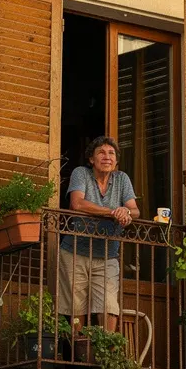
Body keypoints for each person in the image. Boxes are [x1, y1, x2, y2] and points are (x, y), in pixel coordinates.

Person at [58, 136, 140, 334]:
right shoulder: (81, 174)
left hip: (107, 254)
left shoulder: (122, 179)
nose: (107, 157)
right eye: (101, 153)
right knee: (76, 306)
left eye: (111, 153)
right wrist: (114, 212)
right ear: (91, 159)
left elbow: (135, 211)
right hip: (75, 251)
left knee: (109, 305)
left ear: (116, 160)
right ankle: (79, 356)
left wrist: (126, 212)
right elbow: (77, 204)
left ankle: (107, 354)